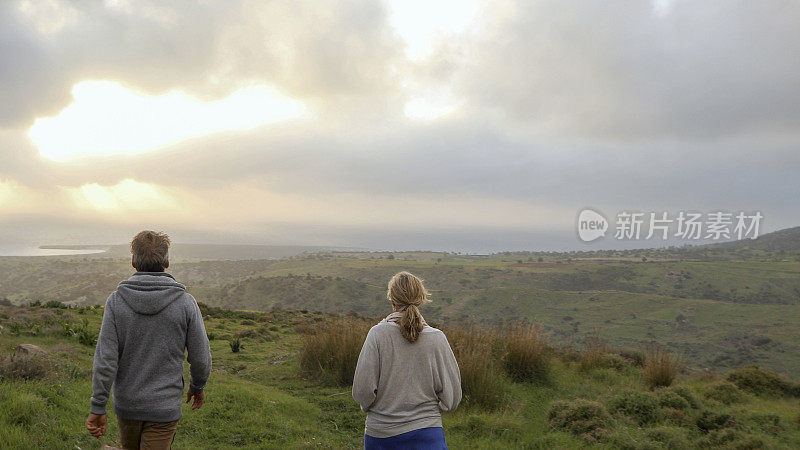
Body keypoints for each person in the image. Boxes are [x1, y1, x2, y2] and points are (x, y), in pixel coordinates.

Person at [86, 230, 212, 449]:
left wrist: (98, 406)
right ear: (167, 263)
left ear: (133, 263)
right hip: (164, 408)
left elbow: (106, 360)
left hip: (128, 406)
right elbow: (201, 358)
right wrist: (197, 387)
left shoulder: (116, 302)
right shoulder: (185, 303)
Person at [353, 271, 461, 450]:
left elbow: (362, 391)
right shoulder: (437, 338)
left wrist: (375, 410)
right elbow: (452, 397)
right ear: (420, 298)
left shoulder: (377, 335)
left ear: (392, 299)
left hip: (381, 436)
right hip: (428, 436)